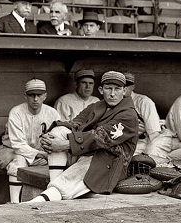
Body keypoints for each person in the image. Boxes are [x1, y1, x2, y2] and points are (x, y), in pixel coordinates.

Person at [26, 70, 139, 202]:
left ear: (124, 90)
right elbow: (75, 124)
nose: (113, 93)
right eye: (108, 88)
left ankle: (37, 202)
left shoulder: (129, 114)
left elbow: (100, 138)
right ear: (101, 90)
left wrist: (64, 145)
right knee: (59, 131)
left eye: (117, 89)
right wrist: (50, 136)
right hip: (86, 152)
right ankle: (53, 184)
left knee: (69, 180)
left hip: (109, 162)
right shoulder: (97, 106)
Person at [0, 79, 61, 203]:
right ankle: (14, 203)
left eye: (39, 95)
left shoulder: (53, 113)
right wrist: (42, 155)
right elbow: (18, 145)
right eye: (32, 95)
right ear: (25, 96)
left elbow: (57, 138)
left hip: (40, 153)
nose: (35, 99)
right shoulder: (16, 112)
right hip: (11, 151)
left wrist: (45, 153)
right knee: (18, 161)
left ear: (45, 96)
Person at [123, 73, 163, 156]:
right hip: (121, 142)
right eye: (121, 84)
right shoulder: (113, 102)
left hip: (140, 143)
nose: (124, 88)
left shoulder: (144, 101)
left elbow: (154, 134)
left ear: (133, 86)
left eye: (127, 84)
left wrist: (150, 153)